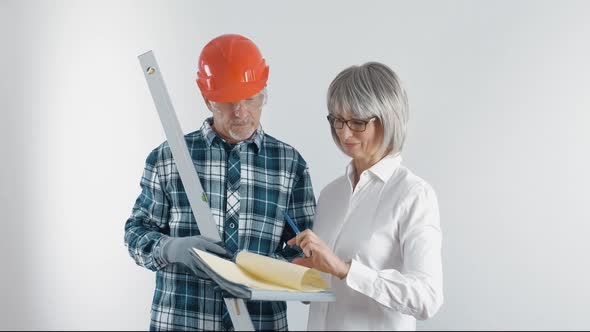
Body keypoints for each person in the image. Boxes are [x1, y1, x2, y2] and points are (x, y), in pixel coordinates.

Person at [124, 34, 316, 331]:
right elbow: (136, 235)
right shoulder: (168, 157)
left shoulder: (290, 165)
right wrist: (174, 248)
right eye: (228, 102)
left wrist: (264, 274)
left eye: (251, 99)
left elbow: (305, 254)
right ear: (207, 98)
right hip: (181, 322)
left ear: (264, 93)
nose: (241, 112)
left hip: (260, 322)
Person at [288, 62, 443, 330]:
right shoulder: (331, 194)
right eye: (337, 120)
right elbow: (327, 291)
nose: (344, 133)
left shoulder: (413, 194)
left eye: (357, 122)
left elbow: (427, 297)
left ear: (388, 118)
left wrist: (346, 270)